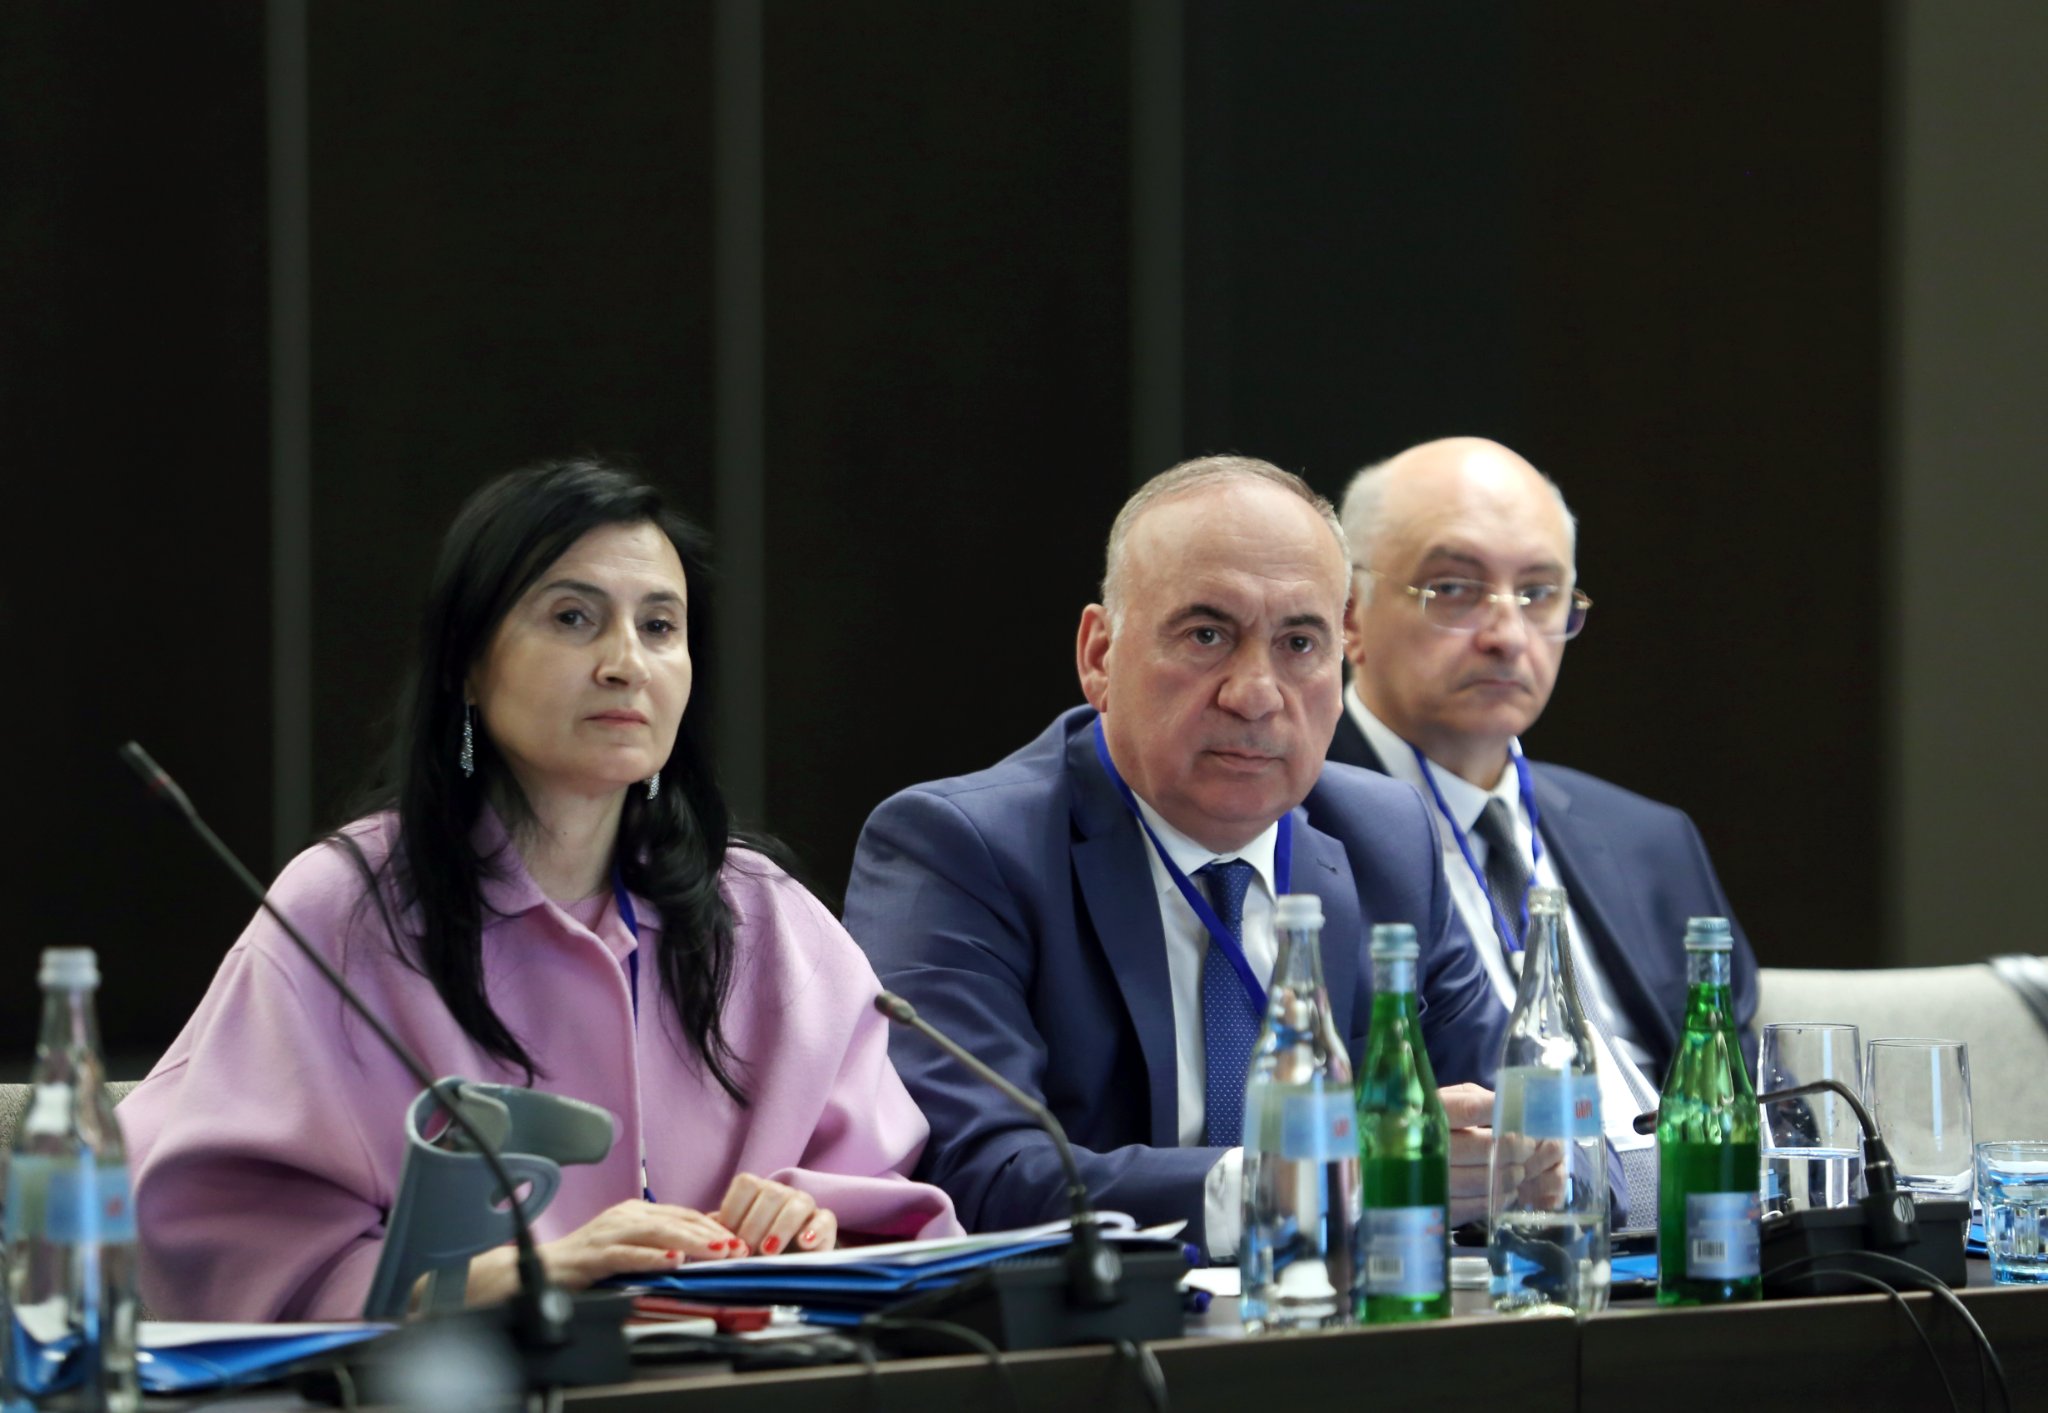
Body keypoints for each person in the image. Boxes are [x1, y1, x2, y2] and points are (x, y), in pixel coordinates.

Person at [123, 459, 958, 1322]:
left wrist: (812, 1222)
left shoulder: (764, 916)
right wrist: (498, 1280)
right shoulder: (345, 910)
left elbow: (894, 1214)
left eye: (659, 626)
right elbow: (224, 1250)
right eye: (573, 617)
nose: (626, 663)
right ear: (467, 664)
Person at [843, 456, 1513, 1261]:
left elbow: (1536, 1129)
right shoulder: (960, 848)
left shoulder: (1388, 839)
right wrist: (1309, 1182)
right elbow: (977, 1176)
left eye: (1300, 642)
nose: (1255, 693)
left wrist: (1538, 1166)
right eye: (1207, 635)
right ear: (1100, 654)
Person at [1330, 436, 1759, 1226]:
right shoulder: (1292, 830)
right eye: (1454, 588)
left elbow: (1752, 1101)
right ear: (1349, 615)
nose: (1507, 633)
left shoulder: (1649, 839)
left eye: (1538, 592)